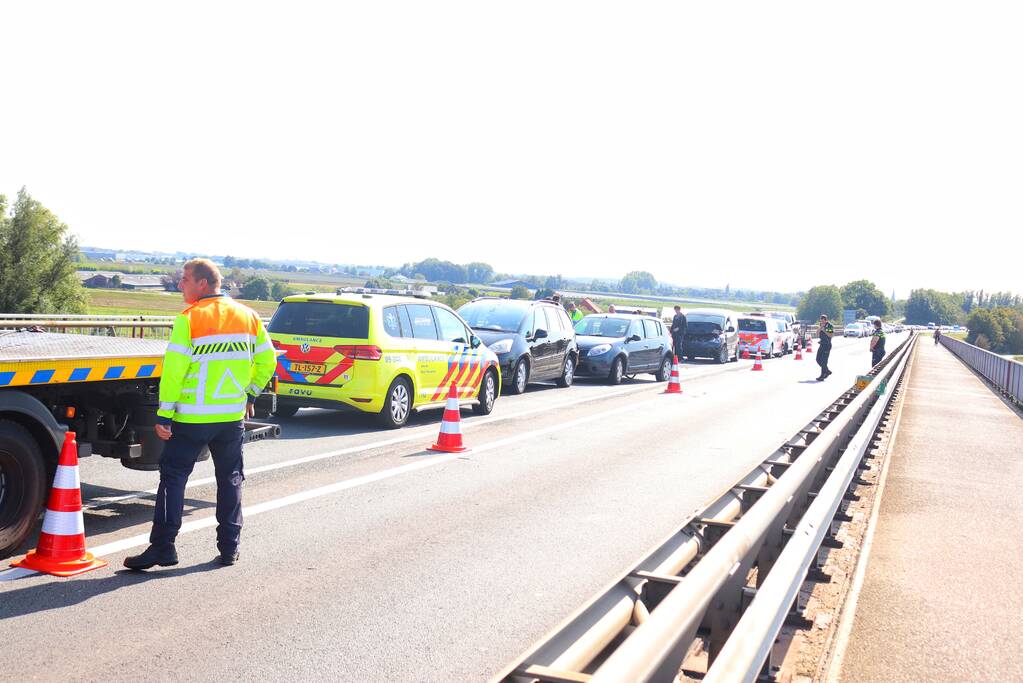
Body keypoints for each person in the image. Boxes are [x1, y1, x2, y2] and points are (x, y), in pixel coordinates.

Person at [124, 258, 276, 570]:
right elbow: (268, 361)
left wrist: (164, 415)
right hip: (230, 418)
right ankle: (230, 547)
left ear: (202, 284)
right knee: (230, 479)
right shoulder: (249, 317)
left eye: (185, 280)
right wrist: (250, 393)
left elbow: (174, 372)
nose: (181, 285)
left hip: (192, 419)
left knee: (173, 477)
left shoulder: (190, 319)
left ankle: (163, 547)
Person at [816, 314, 834, 380]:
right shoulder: (821, 325)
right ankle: (827, 371)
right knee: (818, 359)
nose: (822, 322)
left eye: (823, 321)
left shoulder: (829, 326)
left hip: (827, 345)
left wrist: (824, 330)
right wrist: (820, 328)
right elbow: (817, 334)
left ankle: (822, 375)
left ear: (826, 320)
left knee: (824, 361)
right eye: (821, 321)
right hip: (822, 344)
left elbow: (830, 335)